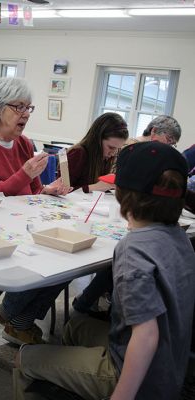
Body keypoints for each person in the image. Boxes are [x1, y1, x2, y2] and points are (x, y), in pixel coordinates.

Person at [14, 141, 195, 400]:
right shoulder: (180, 237)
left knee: (24, 357)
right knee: (74, 327)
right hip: (172, 363)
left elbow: (146, 335)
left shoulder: (133, 250)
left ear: (121, 194)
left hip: (142, 379)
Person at [0, 76, 71, 345]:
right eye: (19, 107)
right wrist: (23, 175)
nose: (26, 114)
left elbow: (30, 193)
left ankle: (13, 316)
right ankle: (16, 318)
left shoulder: (24, 143)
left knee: (65, 258)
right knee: (49, 257)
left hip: (17, 225)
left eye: (29, 108)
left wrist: (47, 191)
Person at [72, 114, 182, 316]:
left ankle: (89, 303)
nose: (114, 153)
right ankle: (89, 303)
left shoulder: (134, 249)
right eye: (169, 141)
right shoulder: (128, 151)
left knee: (114, 259)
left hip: (108, 216)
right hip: (90, 213)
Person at [60, 112, 129, 192]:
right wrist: (95, 187)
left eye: (118, 149)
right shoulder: (78, 153)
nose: (113, 153)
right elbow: (61, 190)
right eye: (111, 147)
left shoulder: (105, 157)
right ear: (97, 140)